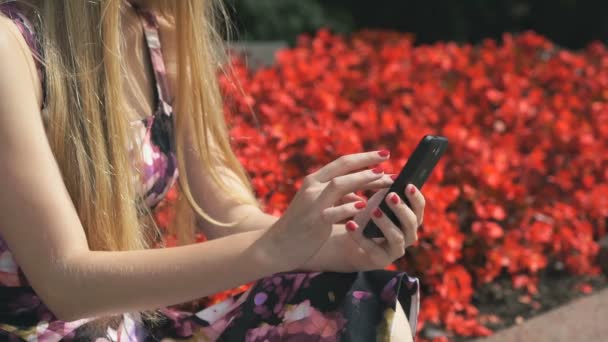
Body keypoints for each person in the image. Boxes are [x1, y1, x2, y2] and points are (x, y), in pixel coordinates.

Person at [0, 0, 425, 340]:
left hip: (127, 329)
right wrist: (274, 248)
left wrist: (337, 244)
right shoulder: (10, 44)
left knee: (355, 299)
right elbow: (66, 284)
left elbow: (228, 215)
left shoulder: (159, 30)